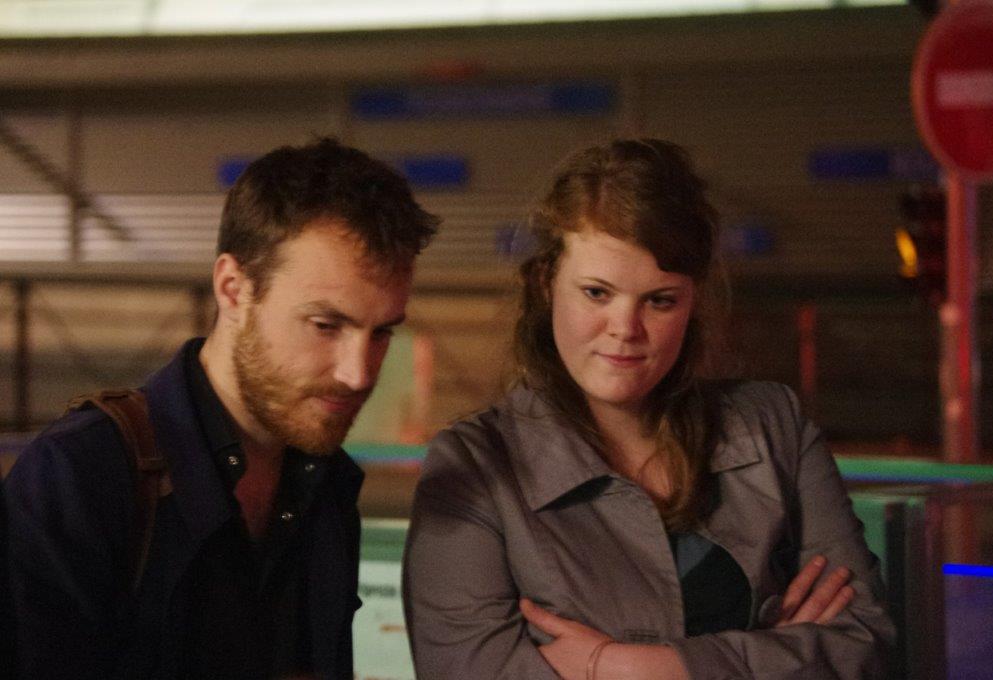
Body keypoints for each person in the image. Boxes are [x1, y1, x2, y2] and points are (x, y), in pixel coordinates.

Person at [402, 139, 894, 679]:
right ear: (546, 284)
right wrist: (774, 656)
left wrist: (631, 666)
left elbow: (864, 647)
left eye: (660, 300)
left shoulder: (772, 426)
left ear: (692, 301)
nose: (625, 330)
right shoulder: (476, 465)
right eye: (597, 293)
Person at [4, 138, 438, 680]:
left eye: (382, 333)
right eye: (326, 325)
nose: (359, 373)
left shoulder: (325, 485)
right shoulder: (78, 476)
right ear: (233, 289)